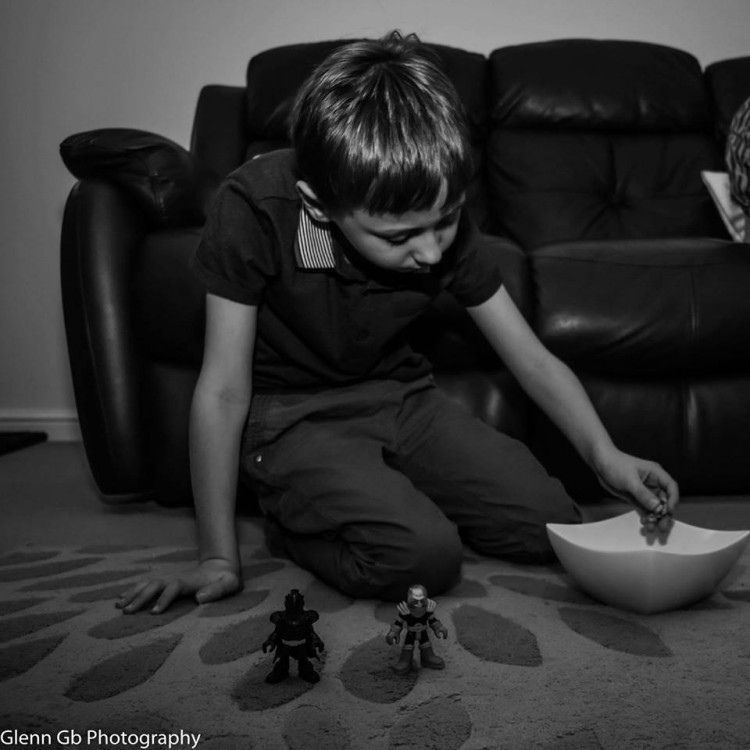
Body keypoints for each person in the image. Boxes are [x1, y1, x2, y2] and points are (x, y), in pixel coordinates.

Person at [117, 31, 678, 615]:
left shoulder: (438, 225)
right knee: (422, 559)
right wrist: (217, 556)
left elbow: (531, 358)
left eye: (446, 220)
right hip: (291, 417)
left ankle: (382, 498)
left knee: (552, 527)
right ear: (318, 205)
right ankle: (295, 524)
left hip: (402, 397)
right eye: (401, 236)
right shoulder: (253, 209)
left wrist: (606, 456)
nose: (433, 252)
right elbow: (224, 389)